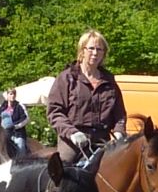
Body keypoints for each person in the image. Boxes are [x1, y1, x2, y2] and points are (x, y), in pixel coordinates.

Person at [47, 29, 127, 163]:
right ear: (82, 50)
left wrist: (119, 132)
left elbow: (120, 114)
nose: (95, 53)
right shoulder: (67, 78)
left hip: (102, 142)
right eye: (91, 48)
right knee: (64, 172)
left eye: (99, 49)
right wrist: (72, 133)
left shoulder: (109, 81)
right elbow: (54, 112)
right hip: (73, 142)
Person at [0, 87, 29, 155]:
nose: (13, 96)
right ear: (7, 95)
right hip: (4, 133)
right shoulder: (1, 107)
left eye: (14, 94)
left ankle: (22, 160)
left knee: (21, 147)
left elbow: (26, 119)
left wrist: (15, 126)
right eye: (11, 94)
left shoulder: (19, 106)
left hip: (17, 134)